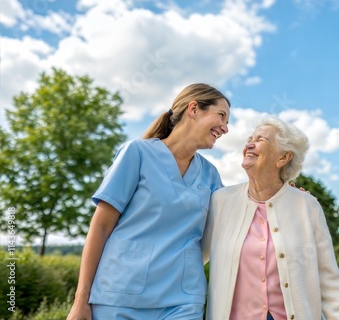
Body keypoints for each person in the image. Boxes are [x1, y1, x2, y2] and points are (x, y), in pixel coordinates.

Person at [67, 83, 230, 320]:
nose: (225, 128)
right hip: (120, 297)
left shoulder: (211, 175)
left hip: (183, 301)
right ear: (194, 109)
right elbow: (101, 227)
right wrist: (81, 300)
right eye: (221, 116)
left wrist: (284, 195)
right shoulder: (137, 153)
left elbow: (235, 221)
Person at [202, 115, 339, 320]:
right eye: (249, 139)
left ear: (283, 158)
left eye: (260, 139)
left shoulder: (307, 206)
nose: (249, 145)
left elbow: (329, 280)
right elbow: (194, 256)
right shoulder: (221, 201)